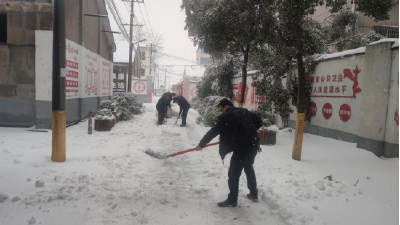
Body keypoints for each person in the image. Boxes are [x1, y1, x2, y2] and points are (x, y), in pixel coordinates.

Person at [195, 98, 262, 207]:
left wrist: (201, 144)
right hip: (254, 144)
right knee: (249, 167)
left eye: (221, 109)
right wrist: (247, 131)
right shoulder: (244, 111)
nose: (221, 112)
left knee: (233, 173)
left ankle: (232, 200)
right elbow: (259, 121)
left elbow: (213, 131)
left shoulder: (226, 116)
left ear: (226, 106)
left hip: (242, 147)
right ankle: (253, 194)